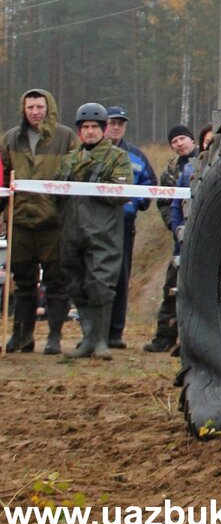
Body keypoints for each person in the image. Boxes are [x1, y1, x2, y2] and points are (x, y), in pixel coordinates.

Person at [1, 89, 79, 354]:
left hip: (53, 222)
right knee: (23, 281)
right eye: (30, 107)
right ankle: (22, 335)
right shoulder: (11, 139)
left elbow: (76, 177)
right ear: (24, 109)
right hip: (20, 220)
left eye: (39, 107)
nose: (35, 112)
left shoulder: (66, 137)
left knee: (57, 281)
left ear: (49, 108)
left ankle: (54, 337)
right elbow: (3, 178)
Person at [57, 102, 133, 360]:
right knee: (75, 282)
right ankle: (88, 337)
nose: (89, 132)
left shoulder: (117, 157)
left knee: (100, 282)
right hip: (71, 230)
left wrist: (95, 184)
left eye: (94, 127)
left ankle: (101, 340)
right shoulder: (69, 158)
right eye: (85, 127)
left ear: (103, 129)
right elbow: (57, 191)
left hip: (103, 231)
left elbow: (122, 193)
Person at [103, 106, 156, 349]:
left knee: (121, 277)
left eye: (120, 123)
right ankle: (95, 331)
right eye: (112, 122)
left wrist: (137, 203)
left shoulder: (136, 155)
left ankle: (115, 333)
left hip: (124, 225)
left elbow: (150, 183)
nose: (116, 127)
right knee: (96, 277)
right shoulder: (92, 152)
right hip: (96, 225)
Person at [145, 124, 198, 353]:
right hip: (179, 238)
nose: (179, 144)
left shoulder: (207, 160)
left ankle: (191, 340)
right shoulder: (170, 172)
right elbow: (164, 202)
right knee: (171, 289)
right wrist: (173, 225)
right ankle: (164, 337)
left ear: (193, 140)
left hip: (203, 233)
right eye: (174, 141)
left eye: (182, 139)